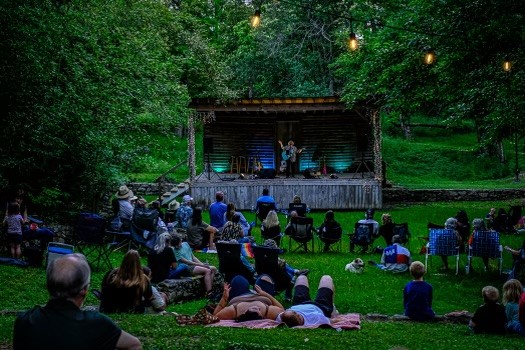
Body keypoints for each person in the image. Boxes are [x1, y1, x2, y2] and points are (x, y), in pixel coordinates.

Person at [13, 253, 142, 350]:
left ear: (48, 285)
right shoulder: (97, 324)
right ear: (84, 290)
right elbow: (134, 345)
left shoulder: (24, 321)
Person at [213, 275, 285, 321]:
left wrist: (224, 298)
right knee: (265, 277)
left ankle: (252, 279)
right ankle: (256, 279)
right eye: (258, 310)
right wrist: (266, 294)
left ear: (245, 314)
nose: (257, 308)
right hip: (262, 295)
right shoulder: (267, 312)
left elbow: (215, 316)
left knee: (238, 278)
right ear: (261, 316)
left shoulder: (234, 311)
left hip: (239, 295)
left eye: (253, 311)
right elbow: (282, 310)